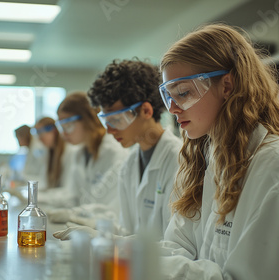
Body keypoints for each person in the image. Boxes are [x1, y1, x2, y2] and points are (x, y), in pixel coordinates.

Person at [157, 24, 279, 279]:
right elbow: (178, 247)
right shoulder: (210, 160)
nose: (173, 108)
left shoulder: (276, 168)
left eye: (183, 92)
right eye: (168, 96)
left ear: (227, 86)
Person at [52, 59, 182, 240]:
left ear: (145, 111)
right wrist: (97, 232)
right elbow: (127, 231)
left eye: (116, 119)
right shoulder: (130, 163)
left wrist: (104, 238)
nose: (109, 130)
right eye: (106, 120)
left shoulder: (178, 161)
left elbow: (174, 248)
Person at [55, 92, 128, 210]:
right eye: (61, 126)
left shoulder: (114, 152)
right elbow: (73, 197)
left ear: (87, 119)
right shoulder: (79, 153)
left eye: (68, 125)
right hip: (85, 223)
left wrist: (73, 213)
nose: (64, 133)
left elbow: (106, 207)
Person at [32, 117, 71, 193]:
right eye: (37, 133)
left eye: (41, 133)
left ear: (53, 131)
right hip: (54, 199)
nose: (39, 138)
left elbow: (67, 191)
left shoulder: (68, 151)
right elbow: (45, 183)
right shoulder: (48, 152)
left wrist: (40, 197)